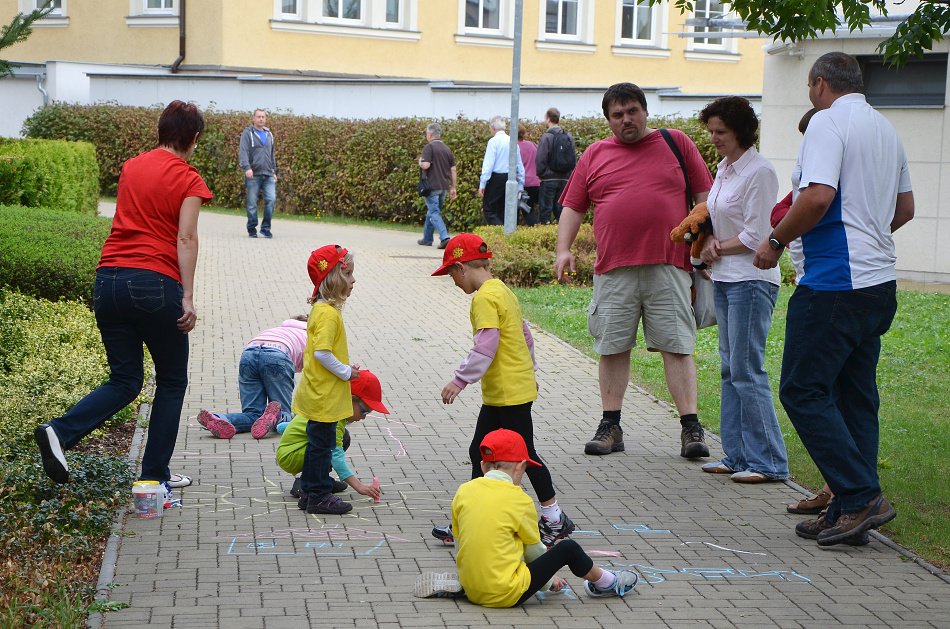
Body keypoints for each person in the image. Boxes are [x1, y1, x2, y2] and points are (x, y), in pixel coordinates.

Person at [753, 52, 914, 546]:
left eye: (808, 88)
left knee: (802, 390)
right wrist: (868, 240)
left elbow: (818, 195)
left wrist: (776, 240)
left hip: (833, 285)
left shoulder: (827, 121)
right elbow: (905, 209)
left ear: (819, 84)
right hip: (878, 284)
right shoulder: (886, 129)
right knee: (855, 396)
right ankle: (850, 511)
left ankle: (861, 495)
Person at [35, 100, 212, 491]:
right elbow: (186, 237)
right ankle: (153, 477)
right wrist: (187, 296)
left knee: (126, 378)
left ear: (161, 131)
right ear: (194, 138)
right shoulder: (189, 178)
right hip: (154, 282)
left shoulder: (131, 166)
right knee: (171, 380)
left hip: (107, 281)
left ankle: (59, 432)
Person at [555, 82, 714, 459]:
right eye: (617, 115)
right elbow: (573, 207)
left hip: (669, 265)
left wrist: (705, 236)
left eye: (632, 111)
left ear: (645, 111)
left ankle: (691, 429)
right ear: (608, 120)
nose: (626, 120)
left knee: (677, 346)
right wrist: (563, 249)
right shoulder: (594, 154)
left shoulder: (677, 143)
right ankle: (611, 426)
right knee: (612, 347)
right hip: (613, 269)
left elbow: (706, 196)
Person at [431, 233, 574, 547]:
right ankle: (472, 518)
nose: (452, 281)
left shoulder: (483, 297)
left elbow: (486, 346)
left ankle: (554, 518)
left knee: (526, 455)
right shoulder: (503, 291)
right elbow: (526, 337)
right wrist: (529, 371)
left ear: (463, 268)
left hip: (508, 393)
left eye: (451, 274)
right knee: (479, 451)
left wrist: (459, 380)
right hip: (508, 390)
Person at [413, 429, 638, 605]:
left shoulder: (464, 491)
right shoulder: (519, 500)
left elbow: (460, 543)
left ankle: (469, 582)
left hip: (472, 587)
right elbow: (534, 553)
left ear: (483, 466)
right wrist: (547, 581)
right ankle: (606, 582)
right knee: (568, 549)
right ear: (521, 467)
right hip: (506, 594)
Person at [695, 97, 788, 484]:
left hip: (751, 281)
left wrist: (717, 246)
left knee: (748, 370)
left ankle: (770, 463)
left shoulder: (759, 171)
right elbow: (716, 215)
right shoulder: (725, 170)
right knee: (731, 368)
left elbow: (759, 234)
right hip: (725, 278)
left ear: (741, 131)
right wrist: (707, 237)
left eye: (721, 132)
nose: (714, 138)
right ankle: (736, 455)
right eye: (711, 131)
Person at [294, 245, 362, 515]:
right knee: (323, 447)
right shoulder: (329, 314)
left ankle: (309, 491)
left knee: (316, 445)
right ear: (333, 278)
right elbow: (322, 353)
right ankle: (320, 494)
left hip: (317, 392)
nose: (354, 280)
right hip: (324, 396)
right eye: (348, 274)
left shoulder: (321, 311)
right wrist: (346, 372)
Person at [277, 370, 387, 501]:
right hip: (291, 456)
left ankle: (321, 479)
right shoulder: (333, 421)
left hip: (291, 450)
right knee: (327, 446)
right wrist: (359, 487)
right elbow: (336, 458)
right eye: (364, 412)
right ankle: (306, 483)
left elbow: (299, 424)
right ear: (349, 399)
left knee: (342, 437)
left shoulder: (328, 407)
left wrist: (283, 428)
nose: (363, 418)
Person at [196, 316, 308, 440]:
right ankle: (278, 416)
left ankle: (219, 418)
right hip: (277, 356)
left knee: (253, 413)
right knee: (282, 410)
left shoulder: (278, 330)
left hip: (248, 355)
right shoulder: (312, 336)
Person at [417, 122, 457, 249]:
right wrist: (453, 187)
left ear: (430, 135)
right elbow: (453, 170)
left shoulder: (429, 148)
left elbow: (426, 165)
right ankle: (427, 238)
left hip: (432, 186)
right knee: (433, 211)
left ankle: (444, 237)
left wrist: (420, 162)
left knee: (434, 212)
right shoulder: (447, 149)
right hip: (444, 187)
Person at [238, 109, 277, 238]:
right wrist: (247, 168)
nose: (261, 119)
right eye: (258, 116)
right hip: (253, 174)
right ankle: (252, 228)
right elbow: (243, 152)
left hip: (268, 174)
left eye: (263, 117)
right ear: (253, 118)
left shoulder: (268, 134)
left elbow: (271, 155)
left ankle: (265, 228)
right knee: (252, 203)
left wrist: (274, 171)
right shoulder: (248, 133)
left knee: (271, 199)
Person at [478, 116, 525, 225]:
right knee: (504, 209)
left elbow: (488, 165)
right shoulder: (513, 142)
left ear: (493, 128)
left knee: (489, 210)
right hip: (510, 177)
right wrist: (520, 185)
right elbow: (519, 165)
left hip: (496, 178)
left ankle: (499, 230)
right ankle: (506, 232)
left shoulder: (493, 142)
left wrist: (483, 184)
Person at [535, 107, 575, 224]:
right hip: (565, 178)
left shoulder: (547, 137)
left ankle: (546, 235)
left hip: (548, 178)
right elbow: (573, 158)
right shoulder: (568, 137)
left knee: (545, 210)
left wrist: (540, 174)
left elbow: (541, 158)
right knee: (561, 210)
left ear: (548, 119)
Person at [517, 122, 540, 225]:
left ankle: (538, 227)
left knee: (526, 211)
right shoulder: (533, 145)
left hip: (524, 184)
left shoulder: (515, 148)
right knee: (532, 208)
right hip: (536, 182)